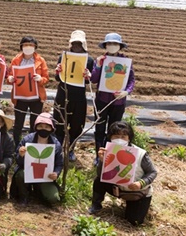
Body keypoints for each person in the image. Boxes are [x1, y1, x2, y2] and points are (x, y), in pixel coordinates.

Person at [88, 121, 157, 225]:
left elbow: (152, 172)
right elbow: (101, 175)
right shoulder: (108, 152)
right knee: (98, 181)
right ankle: (96, 205)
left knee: (135, 221)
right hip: (117, 188)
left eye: (123, 136)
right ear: (110, 137)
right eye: (116, 136)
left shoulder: (140, 153)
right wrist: (102, 161)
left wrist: (140, 183)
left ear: (129, 138)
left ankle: (138, 206)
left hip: (137, 192)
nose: (119, 139)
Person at [90, 33, 135, 164]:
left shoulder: (125, 62)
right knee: (99, 128)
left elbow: (131, 80)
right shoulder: (101, 60)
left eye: (115, 44)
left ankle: (111, 155)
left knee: (114, 129)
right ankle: (99, 156)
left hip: (118, 102)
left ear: (120, 46)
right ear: (105, 45)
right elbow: (93, 79)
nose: (112, 46)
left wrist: (126, 92)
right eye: (109, 44)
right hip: (101, 100)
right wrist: (98, 66)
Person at [53, 30, 94, 161]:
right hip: (63, 95)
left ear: (84, 45)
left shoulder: (89, 59)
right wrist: (57, 71)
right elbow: (57, 78)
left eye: (79, 44)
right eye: (74, 43)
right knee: (59, 123)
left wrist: (88, 76)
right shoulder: (63, 57)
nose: (76, 46)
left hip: (79, 98)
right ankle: (58, 150)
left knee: (76, 126)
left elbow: (88, 81)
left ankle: (70, 150)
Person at [10, 112, 63, 206]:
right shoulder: (27, 140)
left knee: (53, 198)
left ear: (52, 129)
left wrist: (56, 173)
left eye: (47, 127)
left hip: (45, 176)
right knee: (21, 174)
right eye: (40, 126)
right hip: (28, 172)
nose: (43, 129)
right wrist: (21, 155)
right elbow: (17, 162)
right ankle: (24, 196)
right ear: (36, 127)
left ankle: (39, 192)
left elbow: (59, 164)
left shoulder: (56, 144)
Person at [7, 36, 49, 145]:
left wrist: (40, 79)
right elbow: (10, 75)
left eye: (31, 45)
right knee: (18, 123)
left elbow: (46, 78)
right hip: (20, 97)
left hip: (36, 97)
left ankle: (32, 144)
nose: (28, 47)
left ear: (35, 47)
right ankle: (16, 145)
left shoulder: (41, 60)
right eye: (25, 45)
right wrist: (10, 79)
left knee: (34, 123)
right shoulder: (16, 60)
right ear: (21, 46)